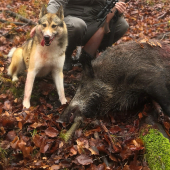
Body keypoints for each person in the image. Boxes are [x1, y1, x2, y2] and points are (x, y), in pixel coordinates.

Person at [31, 0, 129, 71]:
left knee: (122, 25)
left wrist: (118, 11)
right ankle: (65, 56)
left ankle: (90, 55)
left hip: (93, 22)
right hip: (70, 22)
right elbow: (56, 2)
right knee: (77, 25)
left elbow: (110, 7)